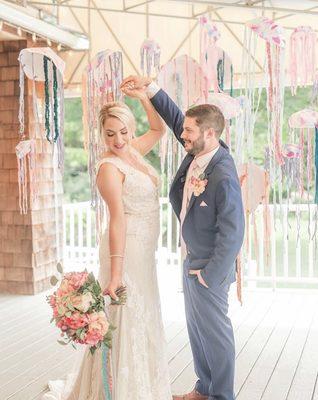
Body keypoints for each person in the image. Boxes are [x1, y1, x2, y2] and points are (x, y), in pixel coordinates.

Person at [43, 87, 173, 400]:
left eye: (124, 132)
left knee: (143, 314)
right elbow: (116, 220)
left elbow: (159, 128)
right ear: (102, 134)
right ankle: (118, 390)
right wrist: (115, 273)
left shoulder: (133, 152)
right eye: (110, 134)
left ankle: (144, 385)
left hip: (144, 252)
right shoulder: (109, 168)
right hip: (123, 251)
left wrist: (144, 98)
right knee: (124, 315)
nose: (118, 140)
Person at [120, 76, 245, 400]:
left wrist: (209, 276)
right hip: (191, 260)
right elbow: (177, 119)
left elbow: (233, 233)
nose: (183, 135)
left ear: (210, 134)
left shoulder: (223, 174)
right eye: (185, 130)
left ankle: (221, 396)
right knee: (197, 330)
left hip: (208, 268)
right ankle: (204, 388)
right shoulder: (199, 150)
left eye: (189, 131)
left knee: (216, 334)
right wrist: (150, 90)